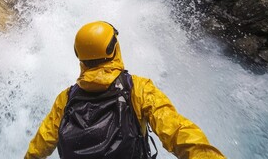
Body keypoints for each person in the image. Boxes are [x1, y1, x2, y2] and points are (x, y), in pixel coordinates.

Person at [25, 21, 225, 159]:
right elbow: (178, 131)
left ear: (80, 56)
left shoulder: (66, 98)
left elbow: (39, 146)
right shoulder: (138, 87)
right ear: (114, 49)